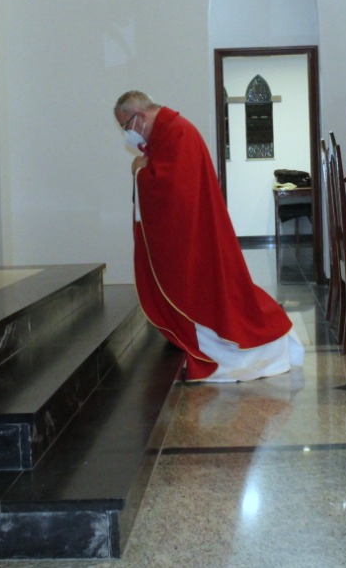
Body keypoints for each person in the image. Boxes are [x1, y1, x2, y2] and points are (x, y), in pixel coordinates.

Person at [115, 90, 300, 382]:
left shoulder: (177, 132)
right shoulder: (166, 133)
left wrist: (139, 172)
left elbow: (171, 187)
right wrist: (144, 169)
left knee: (208, 295)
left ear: (140, 116)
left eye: (126, 126)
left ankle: (235, 352)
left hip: (195, 236)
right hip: (192, 230)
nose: (128, 133)